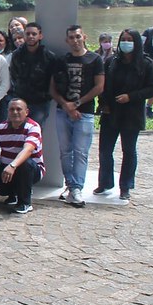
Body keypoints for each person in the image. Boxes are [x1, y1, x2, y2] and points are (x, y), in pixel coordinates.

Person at [95, 28, 153, 201]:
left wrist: (131, 96)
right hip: (111, 112)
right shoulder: (112, 62)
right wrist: (104, 103)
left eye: (130, 39)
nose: (126, 42)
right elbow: (102, 85)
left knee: (129, 151)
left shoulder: (147, 63)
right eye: (123, 39)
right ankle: (105, 183)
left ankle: (125, 186)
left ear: (136, 42)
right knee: (105, 150)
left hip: (132, 114)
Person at [49, 25, 104, 208]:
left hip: (85, 113)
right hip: (62, 111)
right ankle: (70, 185)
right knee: (65, 151)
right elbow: (52, 89)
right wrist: (66, 105)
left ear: (84, 37)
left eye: (78, 36)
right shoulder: (61, 60)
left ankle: (77, 188)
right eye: (71, 37)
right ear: (67, 40)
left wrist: (77, 104)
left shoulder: (95, 59)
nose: (75, 40)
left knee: (80, 152)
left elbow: (99, 86)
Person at [0, 99, 45, 215]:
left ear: (26, 112)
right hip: (6, 169)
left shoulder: (33, 127)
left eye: (19, 109)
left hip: (30, 169)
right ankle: (11, 194)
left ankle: (25, 202)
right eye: (12, 109)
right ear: (7, 111)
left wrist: (12, 166)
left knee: (25, 164)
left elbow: (27, 150)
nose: (15, 112)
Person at [8, 23, 56, 126]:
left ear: (40, 36)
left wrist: (47, 96)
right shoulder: (17, 55)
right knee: (16, 129)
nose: (30, 36)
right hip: (20, 100)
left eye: (34, 34)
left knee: (35, 130)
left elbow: (53, 80)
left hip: (40, 103)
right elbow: (14, 75)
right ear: (24, 35)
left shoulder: (49, 57)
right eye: (28, 34)